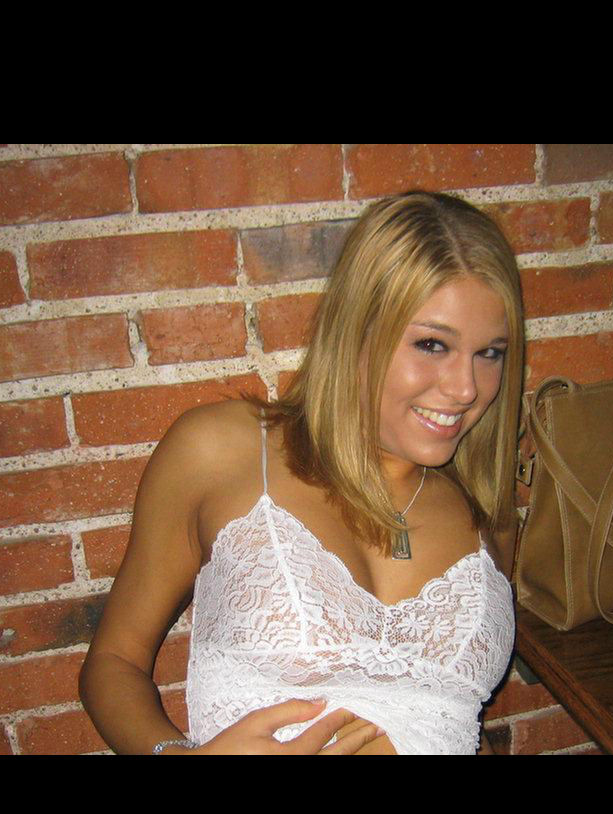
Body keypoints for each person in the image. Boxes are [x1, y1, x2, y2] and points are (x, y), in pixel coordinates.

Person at [79, 191, 524, 755]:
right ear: (357, 332)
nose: (465, 389)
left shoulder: (485, 510)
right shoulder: (222, 452)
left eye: (490, 353)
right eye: (432, 344)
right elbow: (113, 662)